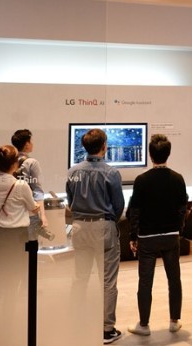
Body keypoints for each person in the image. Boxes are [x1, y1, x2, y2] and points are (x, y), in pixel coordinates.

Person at [66, 128, 125, 344]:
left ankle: (76, 323)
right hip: (103, 226)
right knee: (108, 281)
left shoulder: (72, 171)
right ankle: (106, 329)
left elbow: (71, 202)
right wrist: (111, 221)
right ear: (104, 146)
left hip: (80, 227)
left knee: (79, 278)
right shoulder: (111, 173)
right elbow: (119, 205)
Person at [125, 134, 188, 336]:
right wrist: (178, 228)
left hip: (147, 238)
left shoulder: (141, 180)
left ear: (150, 155)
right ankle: (173, 320)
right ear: (168, 153)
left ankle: (144, 325)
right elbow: (182, 208)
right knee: (174, 279)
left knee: (145, 281)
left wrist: (133, 236)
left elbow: (134, 210)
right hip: (171, 236)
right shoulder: (178, 179)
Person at [0, 145, 39, 345]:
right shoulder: (20, 186)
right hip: (17, 237)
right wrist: (37, 207)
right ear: (15, 164)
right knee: (15, 280)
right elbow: (32, 209)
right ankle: (8, 323)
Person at [10, 128, 54, 242]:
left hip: (12, 213)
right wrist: (42, 215)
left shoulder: (9, 161)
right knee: (30, 252)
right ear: (26, 144)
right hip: (30, 212)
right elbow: (37, 190)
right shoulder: (31, 162)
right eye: (31, 141)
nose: (32, 143)